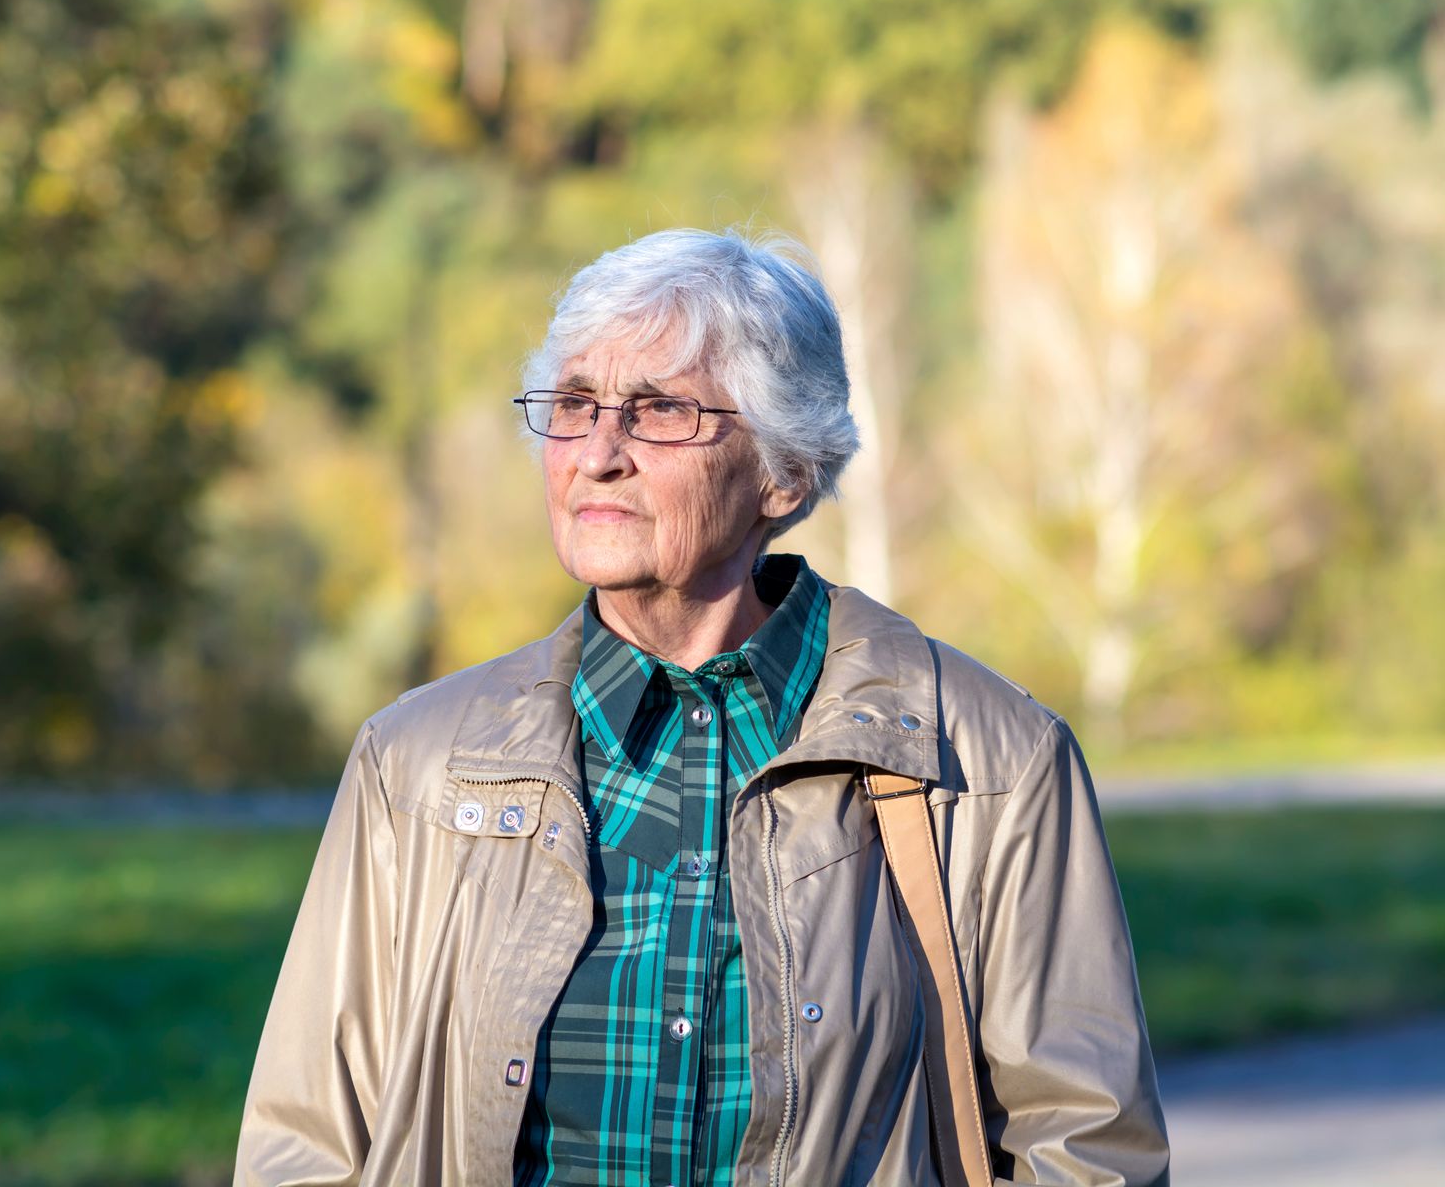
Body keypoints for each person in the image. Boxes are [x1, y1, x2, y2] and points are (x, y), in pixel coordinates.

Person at [233, 228, 1169, 1186]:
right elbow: (306, 1148)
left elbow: (1086, 1148)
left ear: (784, 471)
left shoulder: (987, 761)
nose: (598, 454)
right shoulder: (419, 765)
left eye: (656, 412)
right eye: (574, 405)